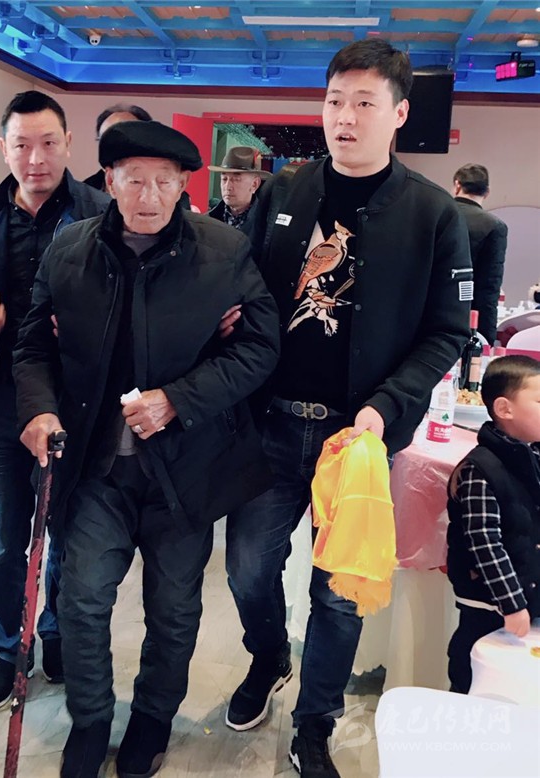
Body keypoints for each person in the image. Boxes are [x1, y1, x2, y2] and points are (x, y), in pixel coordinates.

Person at [223, 38, 472, 778]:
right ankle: (269, 656)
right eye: (335, 100)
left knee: (337, 593)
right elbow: (245, 284)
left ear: (399, 114)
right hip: (270, 423)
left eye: (365, 102)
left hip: (359, 439)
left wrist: (386, 407)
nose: (345, 117)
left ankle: (316, 725)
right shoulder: (285, 192)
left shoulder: (433, 214)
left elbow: (446, 332)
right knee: (247, 568)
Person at [14, 120, 281, 778]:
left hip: (184, 468)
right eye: (135, 180)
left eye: (165, 182)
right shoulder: (71, 249)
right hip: (95, 466)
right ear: (109, 181)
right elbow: (33, 344)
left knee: (173, 608)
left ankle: (154, 718)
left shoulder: (222, 251)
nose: (150, 196)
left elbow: (260, 348)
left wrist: (178, 399)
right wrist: (40, 408)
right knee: (81, 599)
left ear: (184, 185)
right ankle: (90, 720)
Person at [0, 90, 109, 712]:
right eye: (22, 145)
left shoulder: (99, 211)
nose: (36, 158)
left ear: (68, 143)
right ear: (3, 148)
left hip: (72, 405)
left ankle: (56, 633)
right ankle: (8, 648)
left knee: (67, 536)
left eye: (48, 143)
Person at [446, 355, 540, 693]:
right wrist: (511, 603)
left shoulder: (532, 456)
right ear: (504, 409)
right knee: (474, 676)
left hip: (527, 594)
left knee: (516, 683)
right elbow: (484, 543)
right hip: (490, 602)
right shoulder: (480, 469)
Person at [453, 163, 508, 345]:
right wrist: (486, 340)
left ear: (457, 185)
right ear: (487, 192)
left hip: (421, 315)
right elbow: (489, 289)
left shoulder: (434, 215)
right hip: (465, 317)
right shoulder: (494, 226)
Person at [83, 103, 152, 191]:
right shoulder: (84, 191)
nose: (113, 146)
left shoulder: (163, 189)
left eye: (124, 138)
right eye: (106, 140)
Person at [207, 145, 271, 239]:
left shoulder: (267, 225)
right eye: (224, 179)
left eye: (236, 179)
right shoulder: (207, 221)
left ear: (254, 184)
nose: (228, 187)